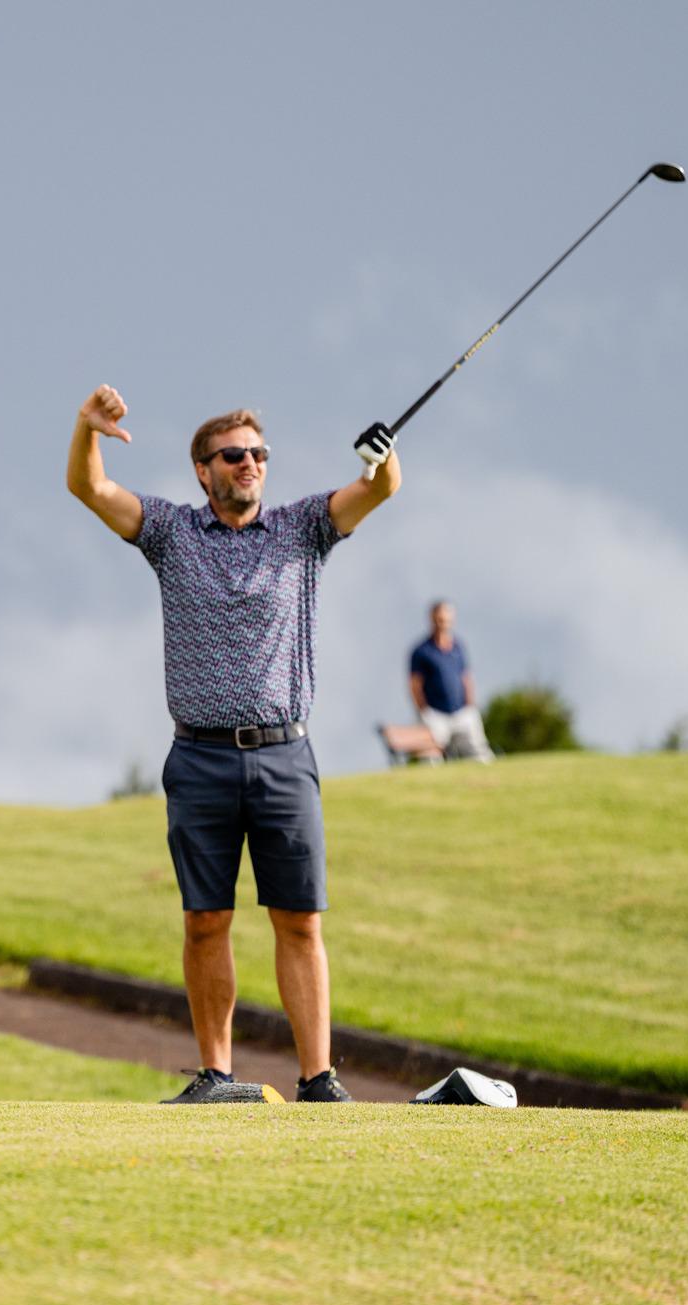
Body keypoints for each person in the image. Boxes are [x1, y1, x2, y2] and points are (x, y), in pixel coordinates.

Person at [65, 385, 401, 1103]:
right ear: (203, 469)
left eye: (258, 454)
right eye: (233, 455)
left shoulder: (303, 526)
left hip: (285, 755)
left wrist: (381, 458)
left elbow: (377, 489)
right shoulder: (170, 531)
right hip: (200, 757)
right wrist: (87, 429)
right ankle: (215, 1074)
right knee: (204, 921)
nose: (249, 464)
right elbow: (90, 488)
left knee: (300, 921)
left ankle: (318, 1078)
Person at [409, 600, 494, 761]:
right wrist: (424, 711)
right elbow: (415, 685)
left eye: (446, 619)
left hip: (462, 712)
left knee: (480, 754)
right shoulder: (421, 651)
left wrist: (470, 705)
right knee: (431, 758)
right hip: (435, 715)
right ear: (432, 619)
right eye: (439, 619)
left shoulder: (458, 647)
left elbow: (466, 677)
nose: (442, 623)